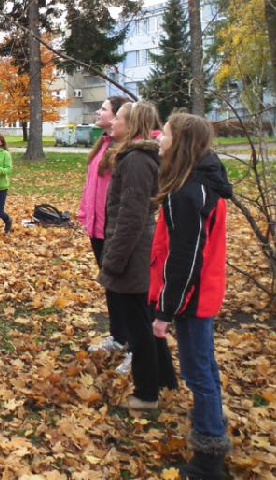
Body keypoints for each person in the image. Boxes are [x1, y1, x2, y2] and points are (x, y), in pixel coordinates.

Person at [149, 114, 233, 479]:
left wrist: (165, 311)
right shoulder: (195, 184)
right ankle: (211, 423)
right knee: (205, 368)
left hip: (192, 298)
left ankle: (209, 456)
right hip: (201, 293)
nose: (159, 137)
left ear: (179, 142)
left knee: (198, 372)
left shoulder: (187, 194)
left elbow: (184, 258)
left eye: (164, 133)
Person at [99, 101, 177, 410]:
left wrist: (113, 260)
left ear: (130, 125)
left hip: (133, 252)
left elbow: (131, 216)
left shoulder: (135, 161)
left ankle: (146, 393)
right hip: (135, 248)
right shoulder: (136, 157)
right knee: (144, 319)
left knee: (138, 326)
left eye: (118, 118)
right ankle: (165, 380)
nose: (113, 122)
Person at [78, 96, 132, 372]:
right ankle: (119, 336)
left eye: (104, 109)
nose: (98, 111)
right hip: (97, 227)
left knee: (126, 288)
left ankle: (136, 346)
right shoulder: (104, 142)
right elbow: (92, 184)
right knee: (110, 284)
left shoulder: (128, 150)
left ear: (119, 116)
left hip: (115, 228)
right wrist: (84, 214)